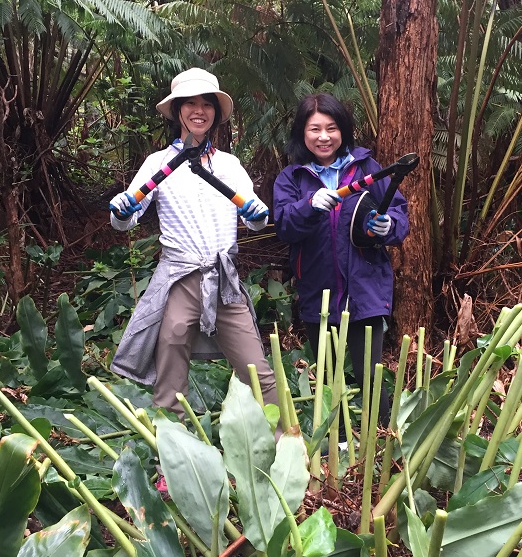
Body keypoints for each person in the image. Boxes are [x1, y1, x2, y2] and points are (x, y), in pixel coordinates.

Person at [108, 67, 279, 430]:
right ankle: (171, 457)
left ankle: (286, 446)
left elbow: (254, 219)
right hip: (179, 276)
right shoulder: (158, 164)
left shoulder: (229, 165)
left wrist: (259, 214)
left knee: (257, 369)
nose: (199, 110)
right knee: (170, 357)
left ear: (216, 113)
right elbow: (127, 218)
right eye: (190, 104)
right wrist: (122, 210)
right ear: (178, 111)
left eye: (207, 104)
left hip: (224, 278)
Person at [273, 93, 409, 427]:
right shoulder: (291, 178)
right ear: (302, 133)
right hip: (317, 293)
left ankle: (383, 442)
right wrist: (309, 204)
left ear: (343, 131)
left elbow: (398, 212)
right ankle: (336, 444)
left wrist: (388, 225)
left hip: (366, 289)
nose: (323, 136)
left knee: (371, 374)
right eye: (314, 128)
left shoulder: (367, 168)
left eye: (331, 128)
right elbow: (284, 226)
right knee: (330, 375)